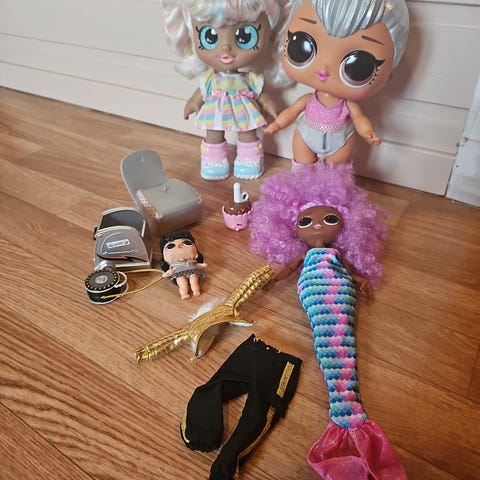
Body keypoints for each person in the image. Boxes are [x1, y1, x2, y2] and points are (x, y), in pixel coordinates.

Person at [264, 0, 409, 168]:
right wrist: (278, 124)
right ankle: (302, 180)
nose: (324, 69)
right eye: (302, 46)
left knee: (336, 169)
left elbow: (359, 118)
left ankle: (332, 182)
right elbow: (292, 111)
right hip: (306, 134)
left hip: (340, 140)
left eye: (358, 65)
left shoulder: (347, 105)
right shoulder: (308, 99)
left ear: (387, 77)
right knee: (302, 162)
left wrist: (367, 131)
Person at [160, 0, 287, 180]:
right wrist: (193, 103)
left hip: (244, 111)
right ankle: (213, 162)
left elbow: (261, 94)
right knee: (213, 133)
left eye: (245, 36)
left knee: (248, 132)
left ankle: (249, 161)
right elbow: (201, 92)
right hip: (216, 111)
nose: (226, 47)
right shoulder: (211, 78)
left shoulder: (249, 78)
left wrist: (269, 104)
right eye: (210, 36)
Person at [160, 231, 207, 299]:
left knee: (194, 280)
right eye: (171, 246)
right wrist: (168, 273)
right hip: (179, 274)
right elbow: (171, 271)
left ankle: (196, 290)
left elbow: (197, 265)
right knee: (182, 283)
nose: (180, 246)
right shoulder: (175, 265)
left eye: (187, 243)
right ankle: (184, 294)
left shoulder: (191, 261)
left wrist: (202, 265)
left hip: (193, 271)